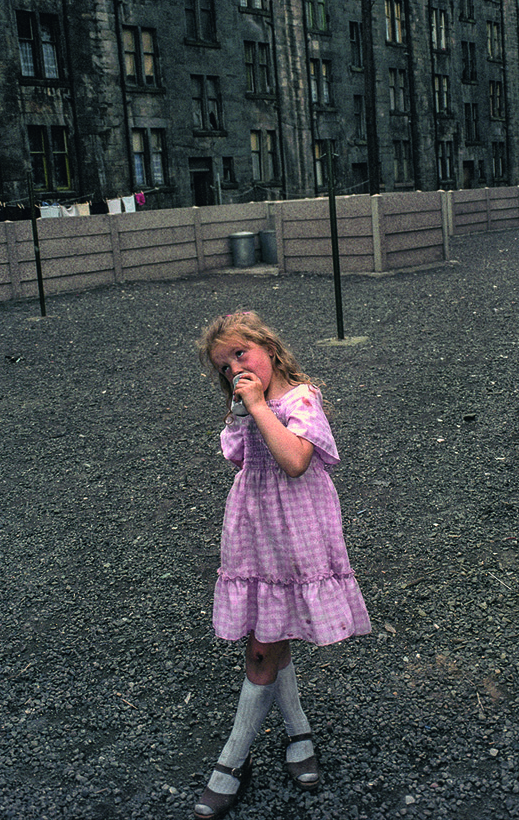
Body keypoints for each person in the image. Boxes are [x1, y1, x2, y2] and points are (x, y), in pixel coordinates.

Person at [192, 311, 372, 818]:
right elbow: (235, 455)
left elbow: (295, 461)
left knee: (261, 648)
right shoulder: (249, 401)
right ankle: (300, 735)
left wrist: (257, 405)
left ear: (268, 348)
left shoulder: (300, 399)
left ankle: (231, 760)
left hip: (298, 527)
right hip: (254, 526)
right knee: (273, 632)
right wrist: (241, 410)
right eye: (225, 365)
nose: (235, 368)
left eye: (241, 354)